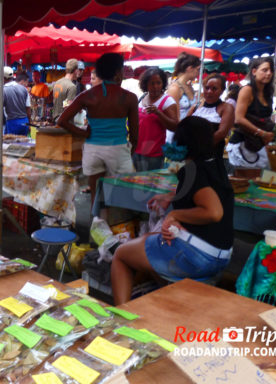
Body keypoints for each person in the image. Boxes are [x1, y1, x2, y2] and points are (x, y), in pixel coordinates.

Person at [111, 116, 234, 304]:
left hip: (199, 257)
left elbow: (213, 212)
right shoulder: (216, 163)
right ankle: (169, 301)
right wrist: (172, 197)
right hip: (222, 255)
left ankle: (122, 315)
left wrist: (175, 214)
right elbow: (204, 193)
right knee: (149, 243)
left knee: (121, 255)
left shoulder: (193, 169)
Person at [58, 53, 138, 204]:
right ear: (118, 72)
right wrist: (129, 151)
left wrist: (84, 133)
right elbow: (135, 135)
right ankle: (114, 225)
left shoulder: (87, 95)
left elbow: (62, 121)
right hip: (118, 150)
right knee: (119, 195)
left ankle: (95, 223)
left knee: (95, 193)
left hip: (93, 149)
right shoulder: (129, 97)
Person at [227, 57, 275, 169]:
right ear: (254, 71)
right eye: (265, 70)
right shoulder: (247, 90)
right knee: (243, 182)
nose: (268, 73)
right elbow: (238, 119)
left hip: (258, 145)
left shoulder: (267, 93)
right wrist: (262, 133)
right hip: (242, 144)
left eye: (271, 70)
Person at [134, 67, 179, 171]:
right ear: (145, 85)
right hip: (137, 151)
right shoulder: (142, 98)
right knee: (139, 181)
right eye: (152, 83)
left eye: (158, 83)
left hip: (154, 153)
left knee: (150, 184)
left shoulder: (167, 101)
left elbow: (175, 126)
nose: (155, 86)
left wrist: (158, 113)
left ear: (163, 83)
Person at [190, 74, 235, 163]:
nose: (209, 91)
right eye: (207, 88)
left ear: (222, 91)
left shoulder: (226, 108)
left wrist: (200, 147)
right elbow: (183, 127)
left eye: (214, 89)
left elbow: (221, 133)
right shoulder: (196, 107)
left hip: (212, 157)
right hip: (191, 156)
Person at [166, 52, 201, 141]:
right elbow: (174, 119)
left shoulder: (189, 87)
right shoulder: (175, 88)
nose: (199, 73)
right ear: (189, 68)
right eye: (198, 69)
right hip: (177, 135)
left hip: (188, 132)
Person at [3, 68, 31, 135]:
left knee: (11, 144)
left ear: (3, 78)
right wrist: (29, 124)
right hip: (24, 121)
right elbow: (28, 109)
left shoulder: (3, 90)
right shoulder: (24, 89)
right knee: (23, 144)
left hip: (12, 122)